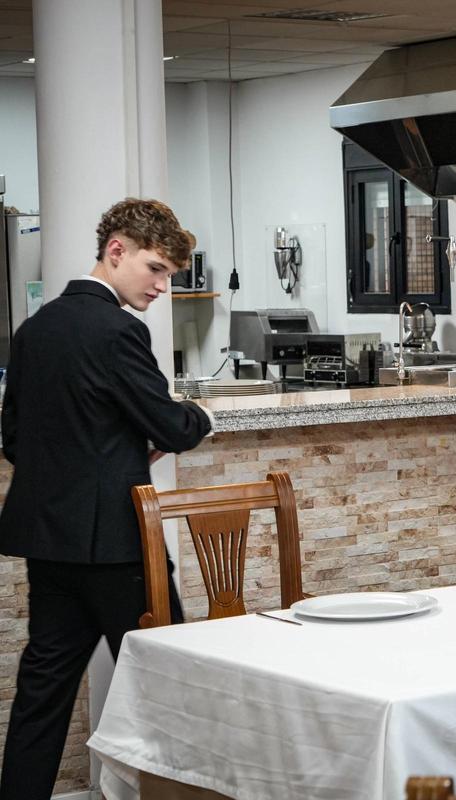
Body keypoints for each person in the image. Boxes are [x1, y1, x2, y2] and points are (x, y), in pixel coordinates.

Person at [0, 198, 214, 800]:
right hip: (119, 547)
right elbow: (171, 428)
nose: (162, 286)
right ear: (115, 251)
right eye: (155, 269)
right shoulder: (120, 330)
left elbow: (13, 436)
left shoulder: (33, 329)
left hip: (50, 542)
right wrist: (197, 414)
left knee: (43, 693)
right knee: (169, 686)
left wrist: (85, 463)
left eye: (170, 275)